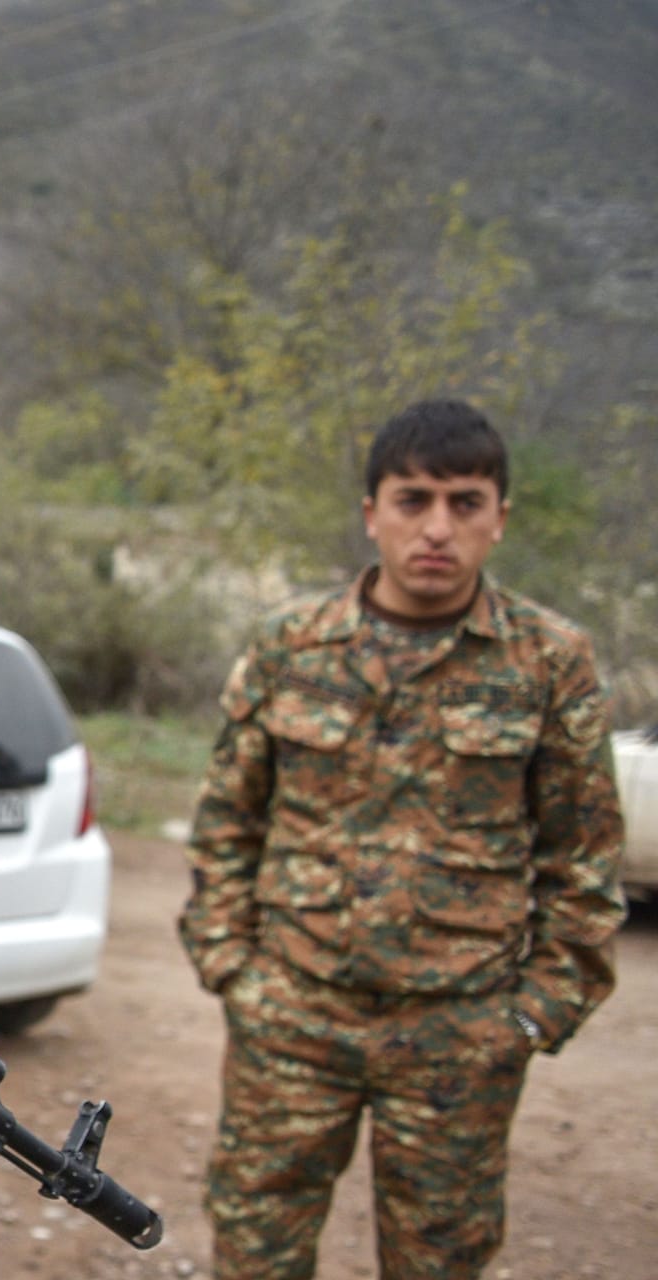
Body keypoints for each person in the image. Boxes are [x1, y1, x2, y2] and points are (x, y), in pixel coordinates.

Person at [178, 399, 625, 1279]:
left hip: (461, 1035)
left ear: (500, 518)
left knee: (440, 1260)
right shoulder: (290, 645)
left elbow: (585, 866)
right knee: (254, 1249)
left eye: (465, 502)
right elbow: (228, 821)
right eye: (412, 498)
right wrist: (235, 967)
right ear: (371, 512)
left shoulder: (549, 661)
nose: (436, 527)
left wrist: (531, 1016)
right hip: (292, 1019)